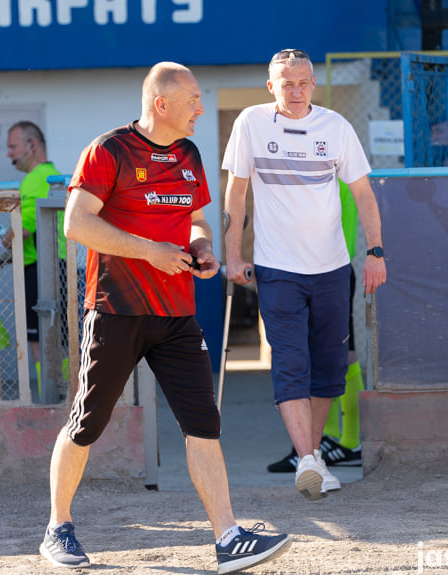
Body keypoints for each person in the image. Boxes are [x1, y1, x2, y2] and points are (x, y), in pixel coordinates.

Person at [40, 62, 291, 574]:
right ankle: (58, 527)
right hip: (116, 311)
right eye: (194, 98)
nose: (201, 107)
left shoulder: (189, 154)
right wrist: (148, 252)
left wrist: (202, 248)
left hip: (177, 314)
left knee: (204, 424)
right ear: (163, 103)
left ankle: (228, 537)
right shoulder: (108, 150)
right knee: (87, 423)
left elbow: (196, 218)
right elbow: (76, 224)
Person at [222, 49, 386, 501]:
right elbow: (236, 196)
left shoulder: (336, 127)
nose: (295, 91)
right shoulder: (251, 124)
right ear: (270, 85)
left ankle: (309, 457)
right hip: (277, 270)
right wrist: (233, 257)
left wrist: (375, 252)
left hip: (333, 269)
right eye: (285, 83)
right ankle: (309, 458)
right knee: (291, 362)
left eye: (302, 82)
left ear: (314, 84)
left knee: (330, 370)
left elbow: (365, 195)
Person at [267, 181, 364, 473]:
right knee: (335, 356)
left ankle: (345, 442)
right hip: (328, 272)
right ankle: (331, 440)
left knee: (337, 356)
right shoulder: (335, 175)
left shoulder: (330, 176)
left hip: (324, 272)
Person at [1, 121, 64, 383]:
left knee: (39, 342)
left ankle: (54, 400)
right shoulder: (51, 175)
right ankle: (65, 396)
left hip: (40, 270)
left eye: (13, 147)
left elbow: (22, 228)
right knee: (56, 340)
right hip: (54, 267)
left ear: (32, 145)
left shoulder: (36, 179)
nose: (9, 153)